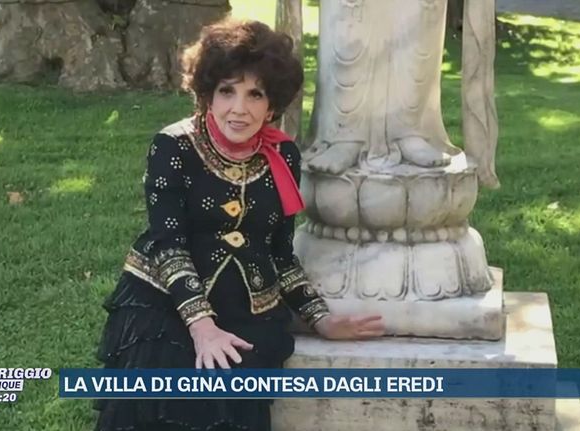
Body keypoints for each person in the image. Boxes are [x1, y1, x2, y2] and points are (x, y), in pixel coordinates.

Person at [94, 18, 385, 431]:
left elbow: (280, 253)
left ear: (272, 103)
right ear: (207, 94)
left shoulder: (283, 156)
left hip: (250, 312)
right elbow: (167, 242)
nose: (239, 109)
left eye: (255, 94)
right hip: (166, 305)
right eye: (227, 91)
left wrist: (322, 319)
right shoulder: (173, 146)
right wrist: (202, 327)